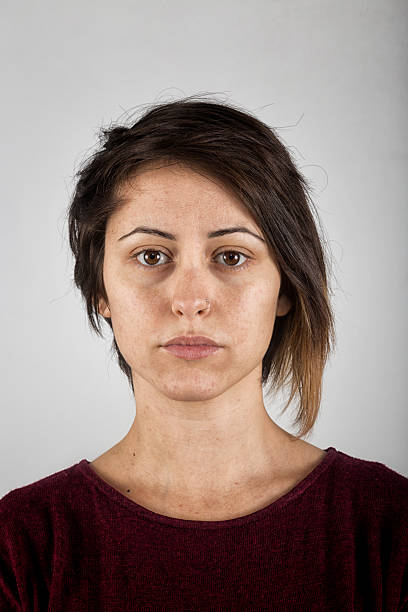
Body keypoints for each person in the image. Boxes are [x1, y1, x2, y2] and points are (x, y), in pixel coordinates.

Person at [1, 96, 407, 611]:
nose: (190, 300)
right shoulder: (21, 544)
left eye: (231, 256)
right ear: (100, 290)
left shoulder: (390, 526)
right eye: (151, 256)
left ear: (286, 286)